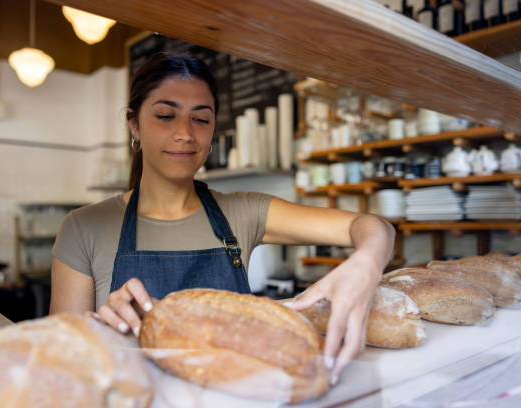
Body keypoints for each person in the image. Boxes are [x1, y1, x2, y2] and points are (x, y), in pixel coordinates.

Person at [50, 51, 394, 383]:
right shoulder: (84, 227)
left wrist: (366, 262)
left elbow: (371, 226)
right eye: (166, 115)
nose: (185, 132)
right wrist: (103, 334)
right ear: (134, 125)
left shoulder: (244, 212)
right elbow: (62, 370)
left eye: (200, 119)